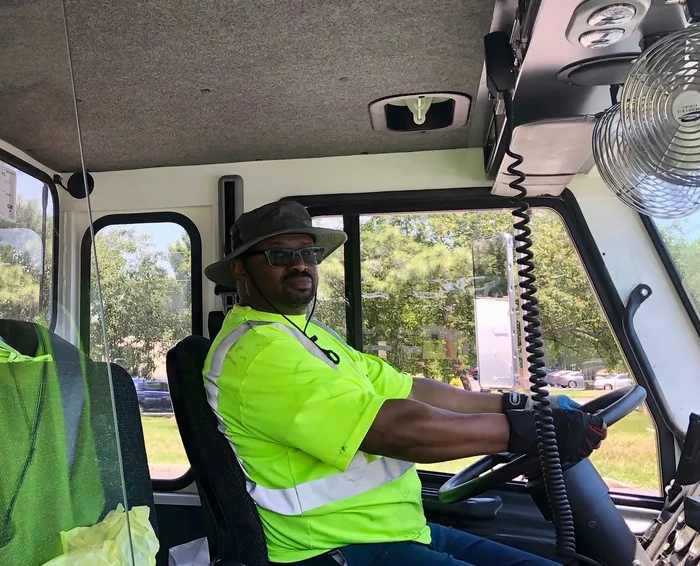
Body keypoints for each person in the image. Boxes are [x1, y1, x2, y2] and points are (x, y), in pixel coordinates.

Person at [203, 201, 608, 566]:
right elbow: (392, 429)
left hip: (398, 531)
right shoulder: (258, 352)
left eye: (308, 253)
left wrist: (520, 407)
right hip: (335, 549)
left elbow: (412, 390)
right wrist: (527, 433)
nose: (300, 265)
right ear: (241, 268)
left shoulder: (305, 334)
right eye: (280, 255)